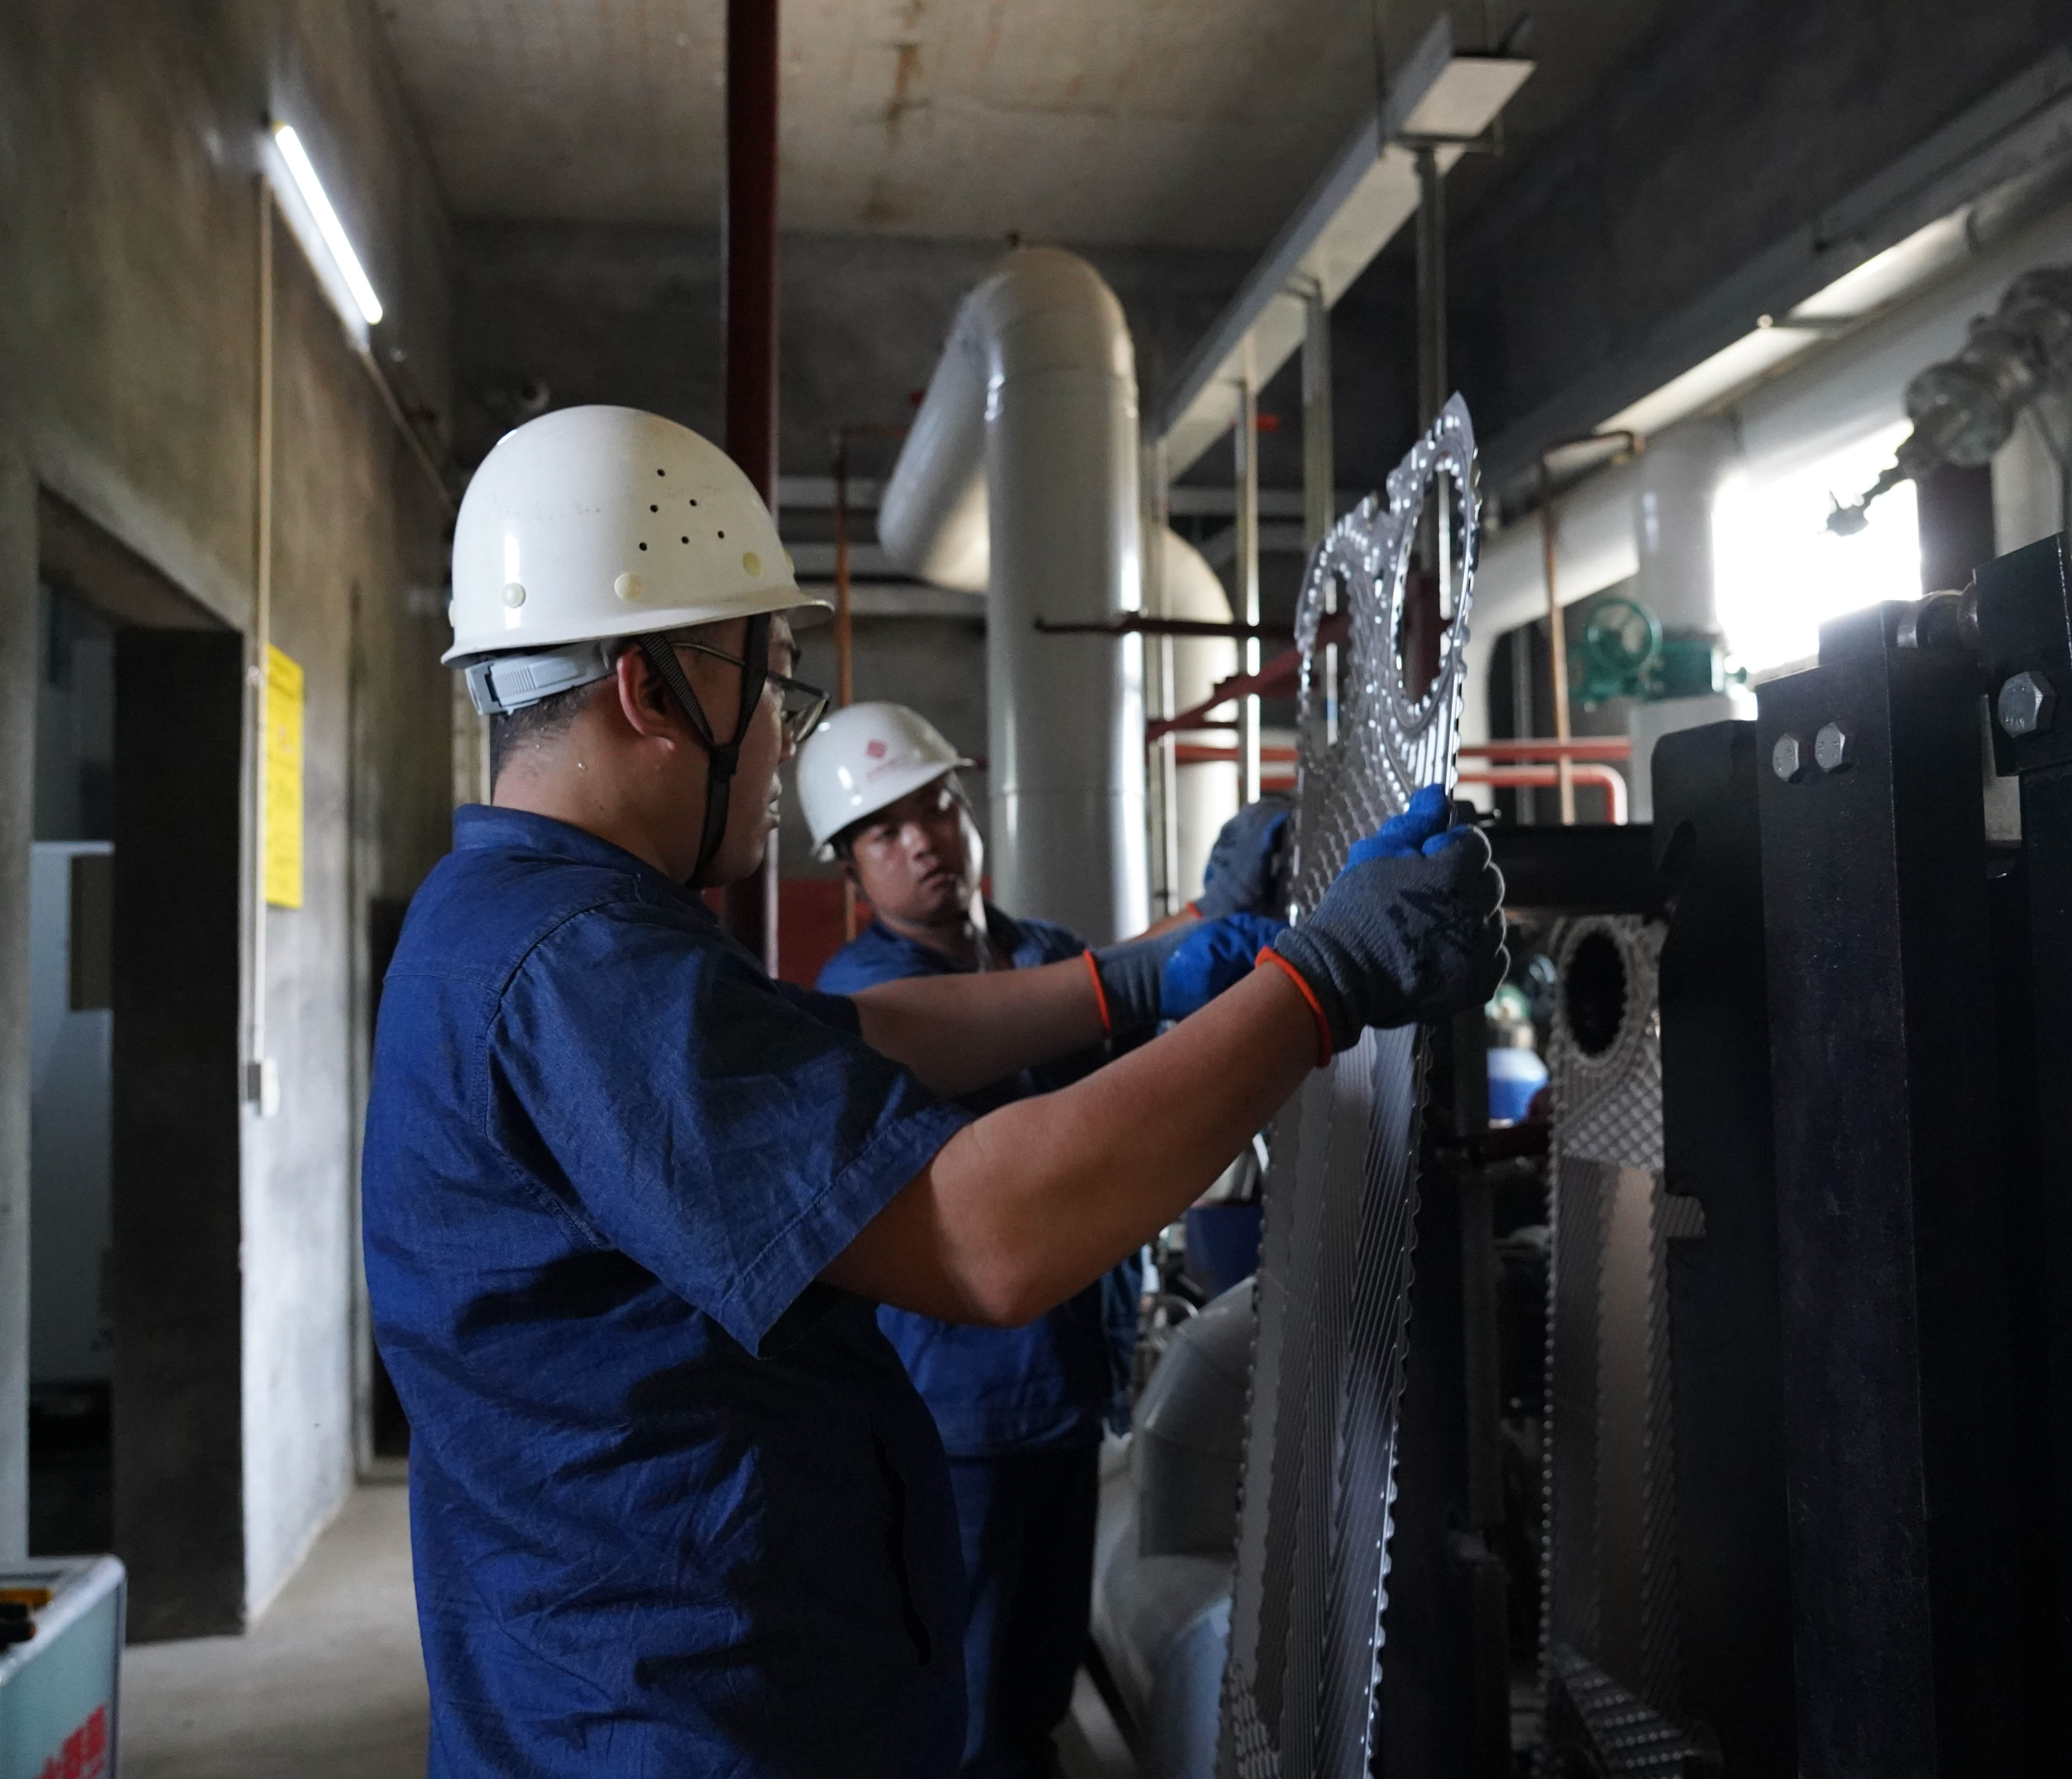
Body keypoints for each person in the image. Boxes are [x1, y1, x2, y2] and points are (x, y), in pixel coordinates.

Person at [363, 405, 1507, 1779]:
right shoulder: (580, 964)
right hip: (688, 1726)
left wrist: (1133, 981)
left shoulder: (517, 922)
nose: (779, 740)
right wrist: (1325, 984)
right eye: (769, 685)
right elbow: (984, 1236)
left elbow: (855, 1037)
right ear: (650, 692)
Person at [797, 705, 1286, 1778]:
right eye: (885, 830)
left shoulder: (1043, 953)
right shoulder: (862, 1000)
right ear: (851, 867)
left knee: (1036, 1682)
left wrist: (1216, 919)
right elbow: (1026, 1016)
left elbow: (1116, 993)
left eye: (936, 805)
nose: (924, 840)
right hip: (953, 1412)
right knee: (965, 1703)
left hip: (1067, 1383)